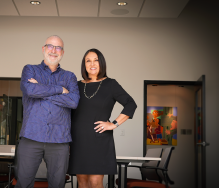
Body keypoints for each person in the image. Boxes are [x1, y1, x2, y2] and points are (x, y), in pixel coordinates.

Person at [17, 35, 80, 188]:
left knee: (57, 185)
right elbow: (30, 90)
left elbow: (73, 101)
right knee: (23, 184)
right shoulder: (30, 69)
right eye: (50, 46)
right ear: (43, 49)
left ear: (62, 53)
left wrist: (42, 90)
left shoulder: (70, 76)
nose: (53, 50)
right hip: (31, 136)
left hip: (59, 141)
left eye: (58, 47)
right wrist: (59, 90)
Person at [69, 48, 137, 188]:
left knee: (95, 182)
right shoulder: (76, 85)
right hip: (77, 140)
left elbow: (131, 104)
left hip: (98, 140)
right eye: (88, 60)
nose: (92, 64)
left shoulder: (110, 84)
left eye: (96, 60)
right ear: (84, 64)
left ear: (101, 64)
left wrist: (114, 124)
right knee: (81, 181)